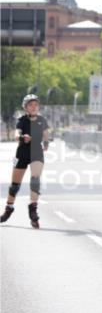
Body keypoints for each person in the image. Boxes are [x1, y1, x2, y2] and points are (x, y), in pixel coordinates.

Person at [1, 94, 50, 229]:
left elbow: (46, 133)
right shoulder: (22, 120)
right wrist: (22, 137)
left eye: (36, 105)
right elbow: (17, 134)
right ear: (26, 107)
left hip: (36, 152)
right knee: (15, 185)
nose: (34, 107)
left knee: (35, 180)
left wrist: (46, 142)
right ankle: (8, 209)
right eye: (31, 105)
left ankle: (33, 209)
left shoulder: (42, 120)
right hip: (22, 153)